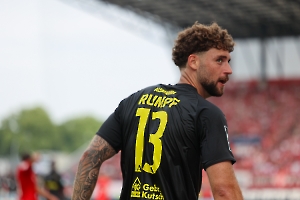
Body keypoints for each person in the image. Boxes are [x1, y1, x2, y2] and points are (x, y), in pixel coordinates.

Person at [72, 22, 244, 200]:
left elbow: (89, 156)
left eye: (228, 61)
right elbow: (225, 191)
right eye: (219, 60)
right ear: (193, 62)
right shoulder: (206, 114)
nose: (229, 70)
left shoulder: (132, 101)